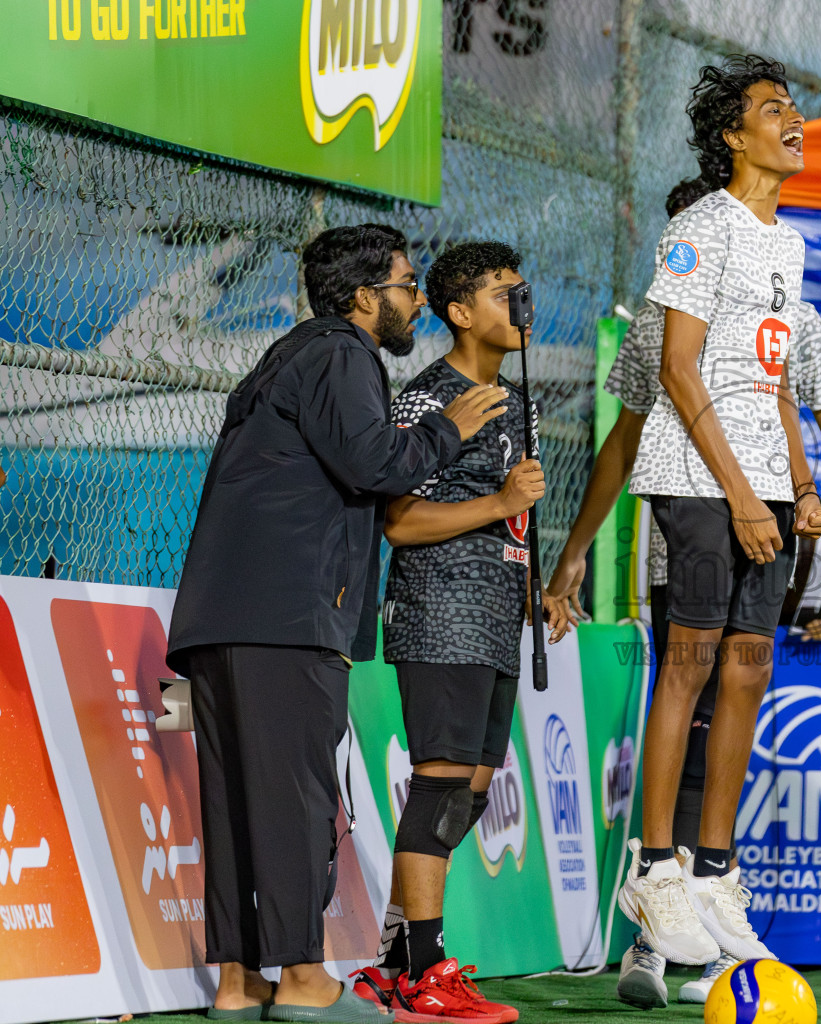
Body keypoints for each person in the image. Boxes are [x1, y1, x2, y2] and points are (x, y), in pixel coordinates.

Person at [166, 224, 506, 1023]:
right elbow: (375, 463)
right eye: (407, 283)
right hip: (284, 617)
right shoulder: (342, 353)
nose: (417, 298)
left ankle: (239, 977)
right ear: (364, 298)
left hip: (226, 616)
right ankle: (304, 977)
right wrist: (450, 427)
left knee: (236, 803)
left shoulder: (288, 355)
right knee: (293, 798)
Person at [615, 52, 821, 975]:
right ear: (731, 137)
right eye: (772, 109)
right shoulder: (700, 229)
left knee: (749, 669)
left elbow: (776, 386)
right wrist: (744, 496)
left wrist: (794, 486)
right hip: (701, 480)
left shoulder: (787, 240)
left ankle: (714, 869)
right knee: (692, 664)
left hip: (764, 487)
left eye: (794, 108)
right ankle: (653, 868)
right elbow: (676, 369)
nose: (792, 121)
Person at [348, 242, 544, 1024]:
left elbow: (515, 507)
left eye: (523, 291)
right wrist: (497, 506)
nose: (521, 306)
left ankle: (398, 956)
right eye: (504, 294)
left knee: (469, 792)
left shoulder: (521, 400)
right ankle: (424, 970)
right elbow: (398, 521)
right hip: (440, 612)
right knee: (438, 782)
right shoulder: (428, 398)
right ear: (460, 313)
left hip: (497, 617)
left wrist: (536, 582)